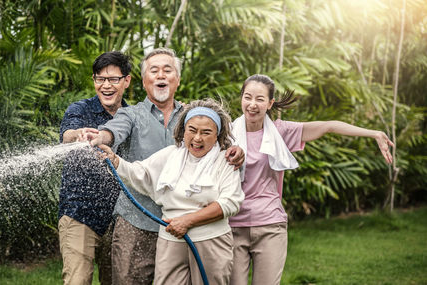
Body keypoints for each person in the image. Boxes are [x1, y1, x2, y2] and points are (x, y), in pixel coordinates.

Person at [84, 47, 244, 284]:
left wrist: (238, 153)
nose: (160, 75)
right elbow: (114, 132)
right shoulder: (131, 114)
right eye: (154, 70)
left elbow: (223, 151)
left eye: (167, 70)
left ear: (177, 80)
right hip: (137, 221)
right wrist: (103, 139)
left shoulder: (194, 115)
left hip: (192, 229)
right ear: (143, 80)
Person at [228, 74, 394, 285]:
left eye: (260, 99)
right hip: (233, 226)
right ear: (241, 98)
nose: (252, 104)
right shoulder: (227, 133)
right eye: (247, 97)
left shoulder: (281, 132)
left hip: (270, 226)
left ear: (270, 104)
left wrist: (373, 134)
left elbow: (329, 126)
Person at [58, 51, 132, 285]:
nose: (106, 86)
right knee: (77, 280)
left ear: (126, 81)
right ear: (94, 80)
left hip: (120, 220)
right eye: (100, 79)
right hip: (80, 216)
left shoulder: (133, 116)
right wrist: (77, 135)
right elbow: (67, 135)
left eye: (113, 79)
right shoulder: (80, 110)